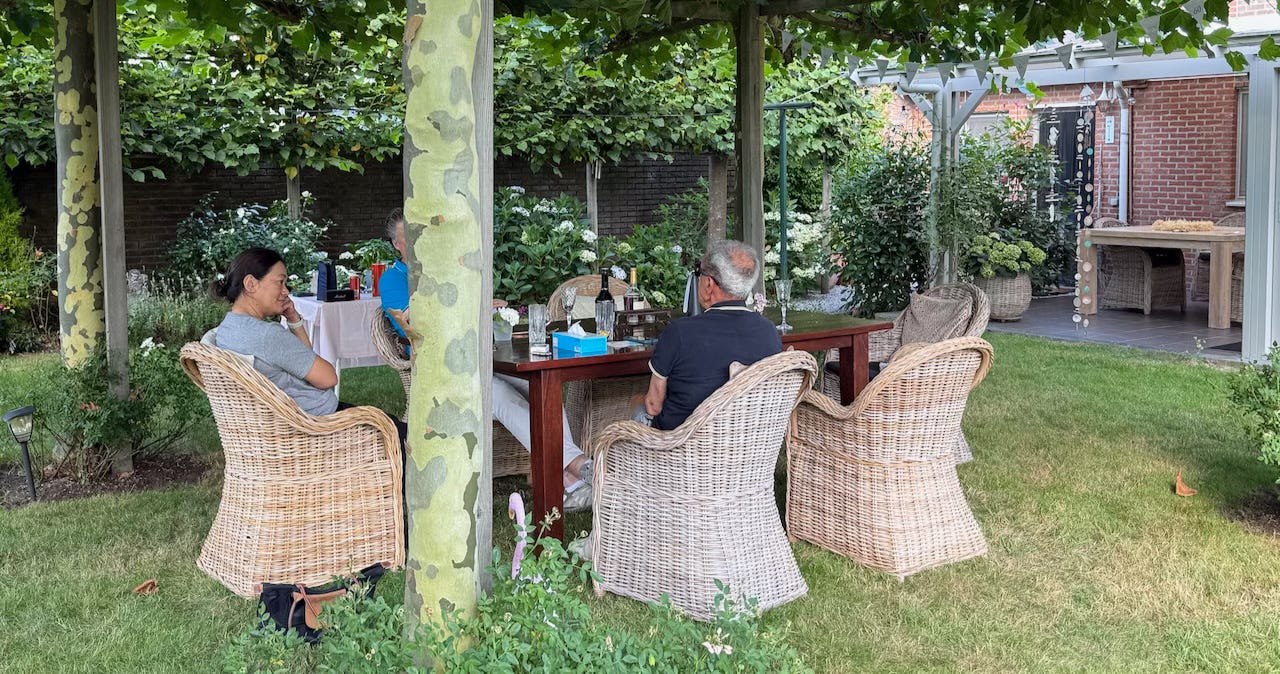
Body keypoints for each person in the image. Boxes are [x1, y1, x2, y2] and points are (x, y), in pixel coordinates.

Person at [379, 210, 594, 511]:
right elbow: (416, 324)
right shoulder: (392, 280)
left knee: (543, 388)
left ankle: (566, 482)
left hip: (479, 358)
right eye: (409, 238)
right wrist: (466, 306)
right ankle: (578, 468)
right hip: (439, 372)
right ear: (396, 245)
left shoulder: (445, 268)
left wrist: (482, 307)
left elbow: (466, 311)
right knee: (499, 394)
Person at [211, 247, 408, 446]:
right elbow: (328, 379)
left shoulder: (226, 331)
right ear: (251, 284)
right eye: (280, 282)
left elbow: (304, 363)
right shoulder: (267, 336)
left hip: (279, 429)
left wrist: (294, 320)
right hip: (320, 426)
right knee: (403, 435)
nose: (286, 291)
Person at [639, 239, 782, 430]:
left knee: (639, 409)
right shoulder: (769, 332)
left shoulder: (679, 333)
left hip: (680, 445)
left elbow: (653, 406)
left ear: (708, 284)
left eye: (699, 273)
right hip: (749, 441)